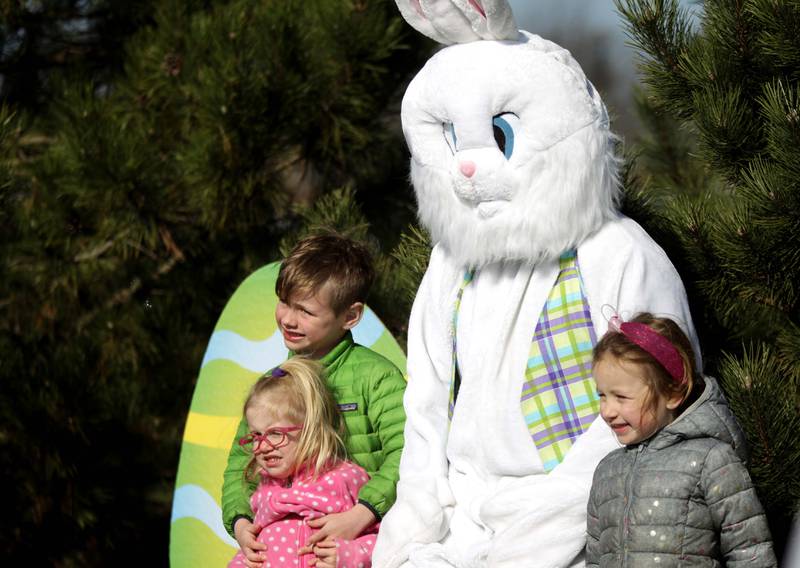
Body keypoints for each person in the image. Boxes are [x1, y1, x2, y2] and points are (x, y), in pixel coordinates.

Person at [221, 233, 406, 567]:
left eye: (305, 310)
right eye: (285, 302)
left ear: (350, 316)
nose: (288, 319)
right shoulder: (275, 383)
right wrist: (241, 522)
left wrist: (361, 514)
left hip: (359, 545)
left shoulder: (376, 377)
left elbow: (407, 455)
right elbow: (241, 462)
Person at [586, 313, 777, 567]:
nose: (607, 410)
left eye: (621, 397)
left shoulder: (711, 460)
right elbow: (596, 559)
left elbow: (750, 552)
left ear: (673, 393)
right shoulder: (607, 472)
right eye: (602, 395)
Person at [228, 357, 379, 568]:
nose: (261, 446)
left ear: (310, 430)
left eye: (275, 434)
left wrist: (349, 555)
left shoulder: (344, 479)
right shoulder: (263, 491)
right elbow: (251, 553)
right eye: (256, 436)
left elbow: (386, 539)